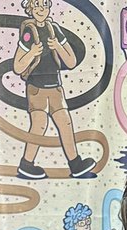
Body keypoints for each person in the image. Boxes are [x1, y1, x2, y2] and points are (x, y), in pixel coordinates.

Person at [13, 0, 95, 180]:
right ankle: (26, 164)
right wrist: (32, 52)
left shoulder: (54, 29)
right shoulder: (29, 32)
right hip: (36, 88)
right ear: (30, 9)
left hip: (56, 87)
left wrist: (58, 46)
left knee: (65, 123)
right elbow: (17, 67)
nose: (41, 9)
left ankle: (75, 164)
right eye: (36, 6)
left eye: (44, 5)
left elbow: (71, 61)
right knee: (39, 124)